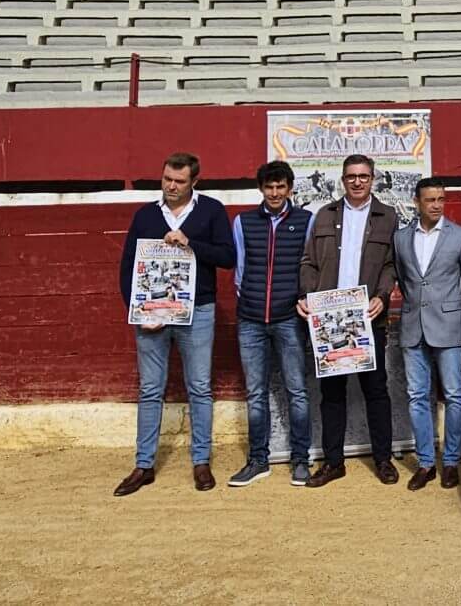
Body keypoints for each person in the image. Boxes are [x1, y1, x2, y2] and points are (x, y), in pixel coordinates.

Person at [114, 152, 236, 497]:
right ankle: (143, 465)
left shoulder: (211, 210)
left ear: (194, 182)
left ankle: (201, 461)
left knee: (199, 387)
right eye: (167, 179)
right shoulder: (145, 215)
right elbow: (127, 268)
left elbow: (228, 258)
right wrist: (140, 311)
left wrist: (191, 244)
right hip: (152, 314)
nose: (171, 186)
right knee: (150, 389)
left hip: (198, 310)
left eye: (179, 181)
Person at [298, 154, 400, 487]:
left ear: (373, 179)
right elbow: (308, 262)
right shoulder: (324, 215)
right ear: (343, 180)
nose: (357, 182)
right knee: (332, 394)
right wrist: (307, 297)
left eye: (364, 176)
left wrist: (381, 297)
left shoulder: (388, 217)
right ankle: (333, 462)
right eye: (351, 177)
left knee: (376, 391)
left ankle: (383, 459)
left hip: (369, 318)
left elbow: (391, 265)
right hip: (329, 319)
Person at [228, 160, 315, 489]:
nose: (275, 193)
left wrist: (299, 298)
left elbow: (308, 266)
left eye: (281, 187)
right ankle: (258, 460)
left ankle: (300, 460)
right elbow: (240, 268)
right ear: (261, 189)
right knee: (256, 393)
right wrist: (248, 298)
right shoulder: (244, 222)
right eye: (269, 187)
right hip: (250, 319)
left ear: (290, 188)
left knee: (297, 392)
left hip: (289, 318)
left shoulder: (306, 220)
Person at [392, 177, 461, 491]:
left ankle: (451, 461)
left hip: (449, 325)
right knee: (417, 396)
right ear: (417, 202)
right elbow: (403, 276)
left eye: (441, 199)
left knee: (453, 394)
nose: (437, 205)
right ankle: (426, 463)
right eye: (430, 200)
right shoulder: (400, 238)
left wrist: (451, 305)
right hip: (413, 325)